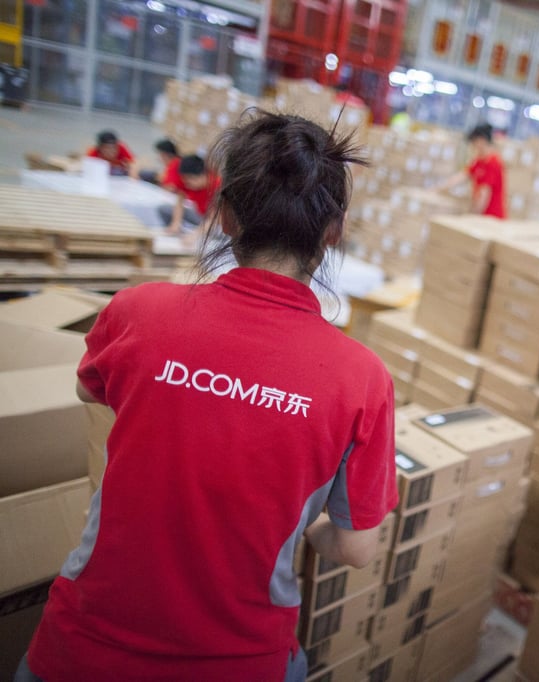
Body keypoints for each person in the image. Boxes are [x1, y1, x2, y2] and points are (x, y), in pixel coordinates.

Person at [17, 110, 399, 682]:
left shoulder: (136, 313)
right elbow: (356, 548)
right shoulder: (361, 379)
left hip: (81, 650)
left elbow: (87, 386)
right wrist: (308, 524)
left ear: (222, 216)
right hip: (242, 662)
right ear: (333, 232)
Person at [439, 123, 506, 218]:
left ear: (481, 140)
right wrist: (439, 189)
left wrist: (472, 216)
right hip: (481, 215)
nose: (473, 146)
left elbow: (484, 193)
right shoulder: (479, 161)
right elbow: (462, 176)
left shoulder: (493, 162)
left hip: (490, 217)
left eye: (474, 142)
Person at [160, 153, 221, 235]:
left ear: (204, 175)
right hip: (201, 216)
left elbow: (215, 218)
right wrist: (175, 223)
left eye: (191, 179)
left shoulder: (217, 185)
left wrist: (195, 235)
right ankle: (176, 231)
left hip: (217, 223)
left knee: (219, 233)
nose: (187, 183)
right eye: (185, 179)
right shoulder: (186, 182)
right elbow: (179, 204)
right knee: (164, 209)